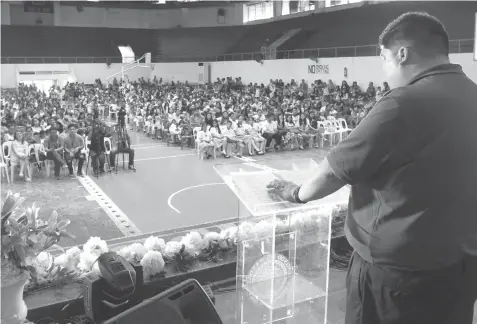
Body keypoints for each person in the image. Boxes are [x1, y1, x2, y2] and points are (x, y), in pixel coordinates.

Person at [267, 12, 477, 324]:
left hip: (398, 277)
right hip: (460, 268)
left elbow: (332, 171)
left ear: (401, 54)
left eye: (384, 58)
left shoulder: (403, 102)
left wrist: (295, 193)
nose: (385, 71)